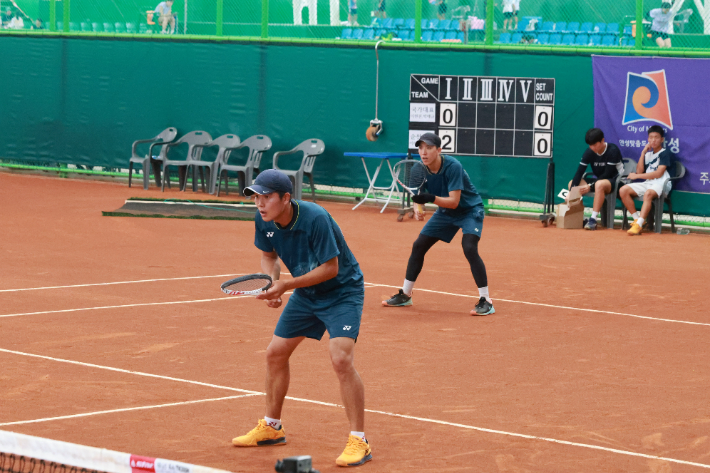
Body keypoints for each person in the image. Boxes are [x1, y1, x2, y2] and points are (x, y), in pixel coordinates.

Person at [232, 170, 372, 467]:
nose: (259, 203)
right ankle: (271, 427)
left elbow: (331, 269)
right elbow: (269, 256)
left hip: (342, 292)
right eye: (256, 196)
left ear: (286, 198)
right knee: (275, 353)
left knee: (341, 359)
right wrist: (271, 283)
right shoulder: (263, 219)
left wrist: (286, 285)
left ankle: (359, 441)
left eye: (266, 197)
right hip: (307, 295)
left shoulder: (315, 218)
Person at [382, 133, 494, 316]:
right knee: (419, 245)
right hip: (445, 212)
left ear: (439, 150)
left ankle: (486, 300)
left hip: (469, 210)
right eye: (420, 148)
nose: (423, 152)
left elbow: (454, 202)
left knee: (469, 247)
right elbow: (418, 195)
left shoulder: (453, 167)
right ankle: (406, 295)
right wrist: (418, 207)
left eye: (429, 148)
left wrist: (431, 198)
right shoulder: (420, 169)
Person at [619, 125, 673, 236]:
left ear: (662, 139)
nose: (653, 140)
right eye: (651, 137)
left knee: (648, 194)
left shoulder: (665, 153)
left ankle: (638, 224)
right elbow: (639, 171)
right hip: (648, 183)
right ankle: (637, 221)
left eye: (656, 137)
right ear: (648, 139)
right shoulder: (648, 154)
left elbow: (658, 173)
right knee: (623, 190)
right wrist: (643, 153)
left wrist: (636, 177)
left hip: (661, 183)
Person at [569, 128, 624, 230]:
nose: (592, 147)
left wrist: (590, 186)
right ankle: (582, 218)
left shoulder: (613, 150)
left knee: (599, 184)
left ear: (602, 140)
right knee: (572, 183)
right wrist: (571, 192)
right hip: (600, 181)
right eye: (590, 145)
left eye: (594, 145)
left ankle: (593, 220)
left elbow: (608, 174)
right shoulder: (589, 152)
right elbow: (579, 172)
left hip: (616, 181)